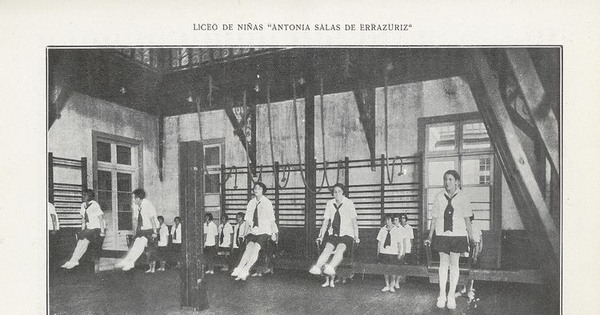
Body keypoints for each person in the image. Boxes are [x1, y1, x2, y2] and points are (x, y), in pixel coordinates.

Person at [425, 170, 474, 310]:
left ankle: (451, 295)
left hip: (458, 235)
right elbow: (434, 219)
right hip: (442, 234)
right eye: (445, 179)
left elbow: (467, 220)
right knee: (443, 264)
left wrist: (471, 238)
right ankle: (442, 295)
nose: (447, 182)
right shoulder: (439, 196)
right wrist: (429, 237)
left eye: (450, 179)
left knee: (454, 265)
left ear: (457, 181)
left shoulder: (463, 197)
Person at [310, 183, 360, 279]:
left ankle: (331, 267)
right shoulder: (329, 203)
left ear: (343, 193)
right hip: (334, 233)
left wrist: (356, 236)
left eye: (339, 192)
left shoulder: (349, 203)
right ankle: (317, 266)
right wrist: (321, 236)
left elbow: (354, 222)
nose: (337, 194)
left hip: (346, 235)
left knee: (340, 248)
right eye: (335, 192)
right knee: (327, 249)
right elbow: (325, 222)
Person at [231, 182, 278, 281]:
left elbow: (272, 220)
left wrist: (274, 233)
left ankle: (246, 270)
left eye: (259, 188)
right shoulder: (251, 203)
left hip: (264, 231)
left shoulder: (267, 203)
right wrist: (244, 233)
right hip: (253, 231)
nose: (256, 190)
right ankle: (239, 268)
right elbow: (247, 221)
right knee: (248, 249)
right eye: (255, 188)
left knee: (255, 248)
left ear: (263, 191)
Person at [116, 189, 159, 271]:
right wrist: (135, 232)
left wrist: (155, 232)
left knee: (141, 242)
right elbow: (135, 219)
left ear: (138, 198)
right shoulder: (135, 206)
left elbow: (152, 219)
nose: (132, 199)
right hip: (142, 229)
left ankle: (130, 262)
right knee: (135, 243)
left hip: (151, 228)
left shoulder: (147, 204)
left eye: (133, 198)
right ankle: (127, 261)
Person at [62, 189, 105, 269]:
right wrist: (82, 231)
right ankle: (73, 261)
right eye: (83, 195)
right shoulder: (83, 205)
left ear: (90, 196)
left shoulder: (95, 205)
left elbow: (100, 218)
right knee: (81, 242)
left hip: (97, 228)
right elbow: (83, 219)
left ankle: (75, 260)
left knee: (85, 243)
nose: (83, 196)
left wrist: (102, 232)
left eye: (85, 195)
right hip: (89, 228)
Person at [456, 215, 483, 302]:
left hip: (471, 254)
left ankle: (469, 290)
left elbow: (477, 244)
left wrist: (475, 256)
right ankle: (460, 290)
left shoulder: (474, 228)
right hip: (462, 254)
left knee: (470, 273)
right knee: (460, 271)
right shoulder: (460, 227)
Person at [377, 214, 403, 292]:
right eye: (386, 220)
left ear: (392, 221)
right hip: (384, 252)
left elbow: (399, 243)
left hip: (393, 253)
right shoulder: (382, 229)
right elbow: (379, 242)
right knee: (385, 270)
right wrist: (378, 252)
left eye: (388, 220)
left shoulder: (396, 230)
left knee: (393, 270)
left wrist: (399, 254)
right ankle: (387, 285)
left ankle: (392, 285)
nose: (387, 221)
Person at [393, 214, 414, 289]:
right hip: (396, 250)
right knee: (394, 266)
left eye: (403, 218)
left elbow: (407, 241)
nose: (402, 220)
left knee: (401, 266)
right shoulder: (394, 228)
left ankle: (398, 281)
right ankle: (393, 282)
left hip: (404, 249)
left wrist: (405, 251)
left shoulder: (406, 229)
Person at [48, 202, 60, 269]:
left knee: (52, 248)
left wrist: (54, 229)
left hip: (51, 229)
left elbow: (53, 217)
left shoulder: (49, 205)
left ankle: (53, 265)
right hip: (48, 229)